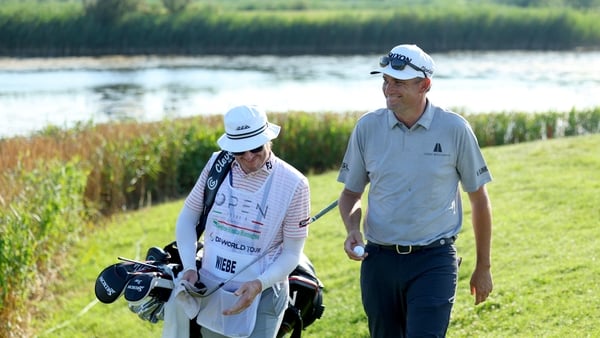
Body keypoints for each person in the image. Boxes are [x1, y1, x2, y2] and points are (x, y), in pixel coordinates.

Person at [337, 44, 493, 337]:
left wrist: (483, 266)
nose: (388, 88)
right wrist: (352, 228)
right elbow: (350, 195)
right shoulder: (367, 128)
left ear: (425, 85)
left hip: (433, 260)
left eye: (398, 82)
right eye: (385, 80)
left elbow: (480, 200)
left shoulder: (454, 129)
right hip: (378, 262)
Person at [162, 105, 311, 338]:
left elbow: (292, 253)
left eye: (255, 147)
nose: (249, 157)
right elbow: (187, 219)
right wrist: (190, 267)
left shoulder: (295, 184)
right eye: (240, 152)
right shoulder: (216, 166)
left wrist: (259, 284)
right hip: (212, 289)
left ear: (268, 139)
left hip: (264, 293)